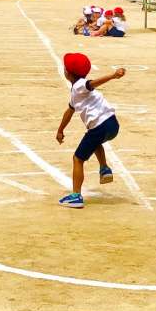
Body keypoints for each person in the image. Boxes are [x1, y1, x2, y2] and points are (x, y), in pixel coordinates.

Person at [56, 53, 125, 208]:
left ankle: (76, 196)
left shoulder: (80, 85)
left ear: (68, 73)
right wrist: (60, 129)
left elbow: (92, 83)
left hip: (100, 126)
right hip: (112, 124)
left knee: (78, 158)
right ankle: (104, 169)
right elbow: (69, 111)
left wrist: (113, 76)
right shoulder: (75, 92)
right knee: (94, 141)